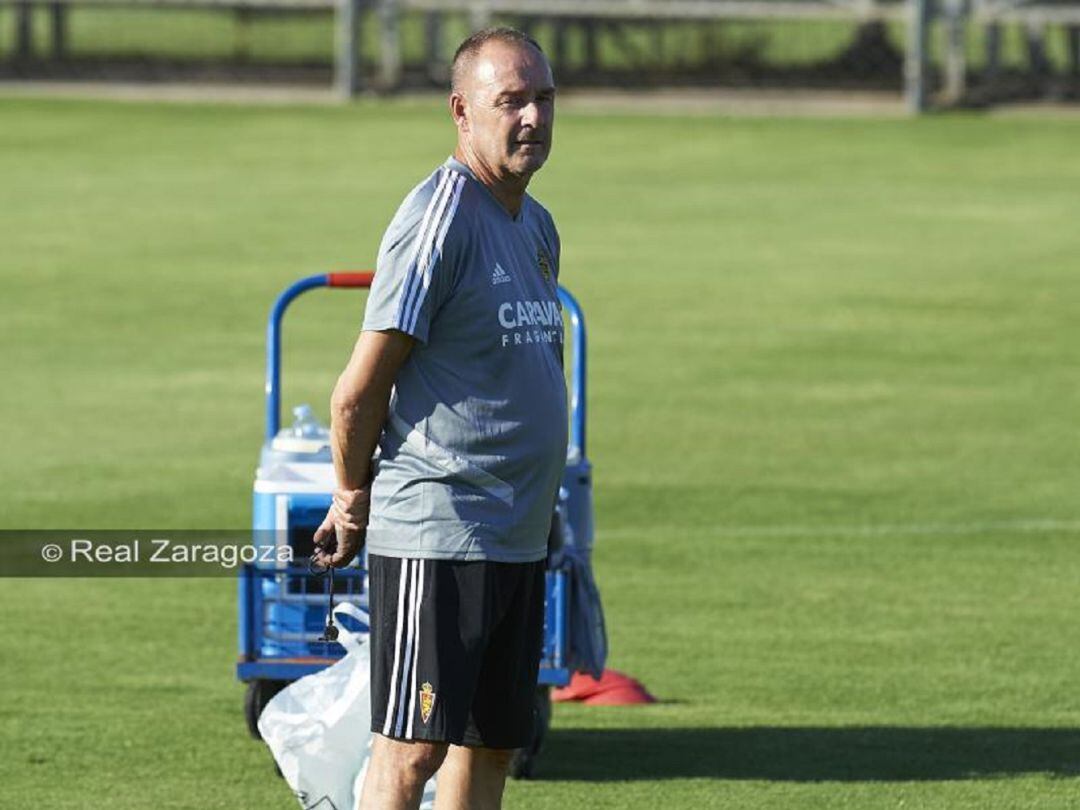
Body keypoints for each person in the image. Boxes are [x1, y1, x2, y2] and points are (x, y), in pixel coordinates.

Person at [312, 26, 566, 810]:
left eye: (543, 99)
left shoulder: (536, 224)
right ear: (462, 111)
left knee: (491, 743)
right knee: (411, 747)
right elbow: (357, 393)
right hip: (439, 525)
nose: (532, 118)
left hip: (515, 531)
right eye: (510, 101)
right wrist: (351, 496)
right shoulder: (440, 220)